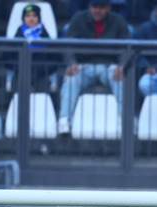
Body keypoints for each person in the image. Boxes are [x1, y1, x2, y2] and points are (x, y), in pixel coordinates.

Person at [56, 0, 130, 136]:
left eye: (102, 7)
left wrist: (122, 67)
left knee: (121, 79)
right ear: (89, 6)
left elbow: (126, 49)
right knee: (71, 78)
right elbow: (67, 46)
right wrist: (71, 63)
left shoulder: (119, 21)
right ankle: (64, 119)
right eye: (94, 6)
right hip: (83, 66)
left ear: (108, 8)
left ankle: (127, 121)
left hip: (109, 66)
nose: (97, 10)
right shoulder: (78, 18)